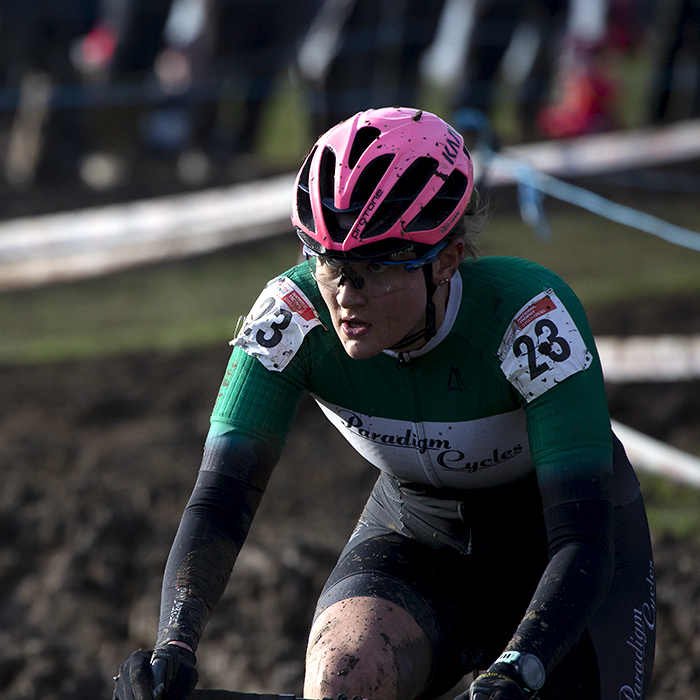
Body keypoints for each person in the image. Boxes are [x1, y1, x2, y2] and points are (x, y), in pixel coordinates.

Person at [113, 107, 656, 700]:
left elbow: (581, 537)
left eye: (375, 267)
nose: (347, 294)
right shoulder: (291, 318)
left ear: (447, 259)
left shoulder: (528, 318)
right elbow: (220, 501)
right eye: (331, 263)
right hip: (416, 537)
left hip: (557, 552)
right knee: (343, 676)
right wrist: (175, 645)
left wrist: (518, 669)